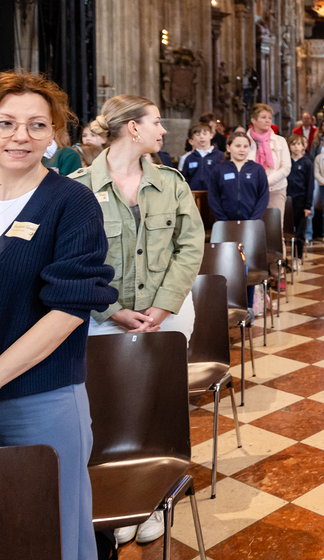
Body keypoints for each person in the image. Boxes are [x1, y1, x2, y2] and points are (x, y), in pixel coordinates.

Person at [70, 94, 204, 546]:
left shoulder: (170, 182)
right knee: (107, 414)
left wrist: (162, 306)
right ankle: (118, 501)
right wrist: (111, 310)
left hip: (166, 315)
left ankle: (154, 502)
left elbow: (191, 245)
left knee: (157, 409)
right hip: (103, 316)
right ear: (132, 128)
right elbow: (73, 260)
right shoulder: (78, 187)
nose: (163, 130)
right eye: (156, 122)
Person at [0, 71, 118, 560]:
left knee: (54, 534)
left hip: (40, 396)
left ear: (54, 133)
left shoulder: (72, 201)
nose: (20, 136)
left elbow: (68, 308)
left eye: (36, 124)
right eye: (6, 122)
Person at [207, 131, 269, 221]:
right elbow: (213, 196)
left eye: (245, 146)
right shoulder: (219, 169)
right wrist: (222, 219)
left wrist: (254, 219)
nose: (242, 150)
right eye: (238, 146)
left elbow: (264, 196)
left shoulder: (257, 169)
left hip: (252, 222)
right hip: (225, 222)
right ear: (228, 148)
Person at [247, 103, 291, 229]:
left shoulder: (280, 141)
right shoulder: (245, 141)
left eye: (270, 118)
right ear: (253, 120)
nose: (268, 120)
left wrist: (265, 182)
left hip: (275, 189)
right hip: (251, 191)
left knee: (274, 229)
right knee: (253, 229)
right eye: (263, 117)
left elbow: (286, 167)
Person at [286, 134, 313, 267]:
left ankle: (298, 257)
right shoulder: (286, 162)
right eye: (293, 144)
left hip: (301, 200)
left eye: (299, 144)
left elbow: (310, 186)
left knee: (300, 231)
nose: (296, 147)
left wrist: (308, 205)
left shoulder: (307, 163)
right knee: (287, 230)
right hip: (287, 200)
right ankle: (286, 256)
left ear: (303, 146)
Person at [180, 122, 224, 191]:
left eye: (205, 134)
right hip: (194, 194)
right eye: (198, 134)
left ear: (211, 135)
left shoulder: (220, 156)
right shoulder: (189, 158)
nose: (201, 137)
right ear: (193, 138)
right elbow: (185, 179)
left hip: (214, 193)